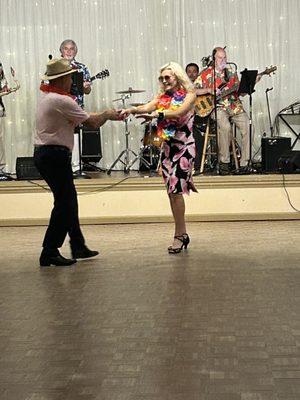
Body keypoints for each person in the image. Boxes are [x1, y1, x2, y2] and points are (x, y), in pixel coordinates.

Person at [34, 58, 121, 267]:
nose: (72, 80)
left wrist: (104, 115)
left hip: (48, 155)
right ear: (63, 79)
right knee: (65, 203)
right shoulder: (61, 100)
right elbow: (91, 121)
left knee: (68, 201)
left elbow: (82, 116)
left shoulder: (50, 97)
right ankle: (49, 250)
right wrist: (108, 114)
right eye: (70, 76)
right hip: (53, 155)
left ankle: (78, 245)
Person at [121, 62, 197, 254]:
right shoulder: (162, 97)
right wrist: (132, 110)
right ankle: (183, 233)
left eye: (167, 77)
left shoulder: (189, 95)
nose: (164, 81)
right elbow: (148, 106)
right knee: (171, 192)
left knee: (176, 188)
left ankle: (179, 236)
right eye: (161, 78)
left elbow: (179, 112)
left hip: (184, 148)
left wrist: (159, 114)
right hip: (168, 148)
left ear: (177, 77)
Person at [194, 47, 252, 174]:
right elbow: (193, 90)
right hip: (217, 107)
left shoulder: (231, 71)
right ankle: (224, 162)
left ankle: (244, 163)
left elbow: (240, 92)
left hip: (234, 105)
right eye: (220, 57)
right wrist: (209, 90)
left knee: (247, 124)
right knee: (225, 127)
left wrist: (248, 86)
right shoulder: (205, 73)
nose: (223, 60)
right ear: (214, 58)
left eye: (225, 57)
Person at [186, 62, 211, 175]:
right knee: (197, 138)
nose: (191, 74)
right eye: (189, 72)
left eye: (194, 71)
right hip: (187, 120)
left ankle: (197, 166)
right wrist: (207, 90)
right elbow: (192, 92)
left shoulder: (202, 82)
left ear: (198, 73)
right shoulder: (182, 85)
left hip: (202, 117)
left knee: (199, 138)